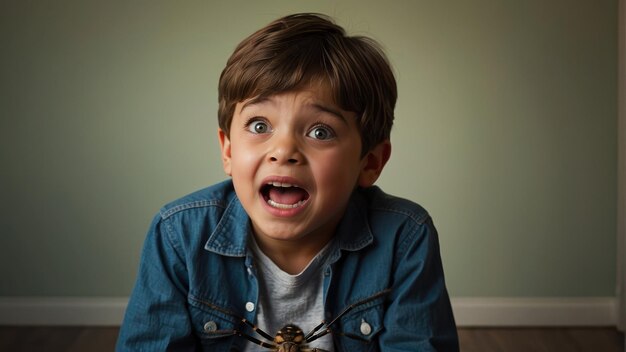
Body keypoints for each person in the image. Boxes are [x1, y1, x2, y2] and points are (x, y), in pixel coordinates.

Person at [116, 13, 459, 351]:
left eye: (320, 131)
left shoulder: (405, 237)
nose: (284, 151)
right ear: (228, 150)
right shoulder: (178, 234)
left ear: (370, 162)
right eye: (260, 125)